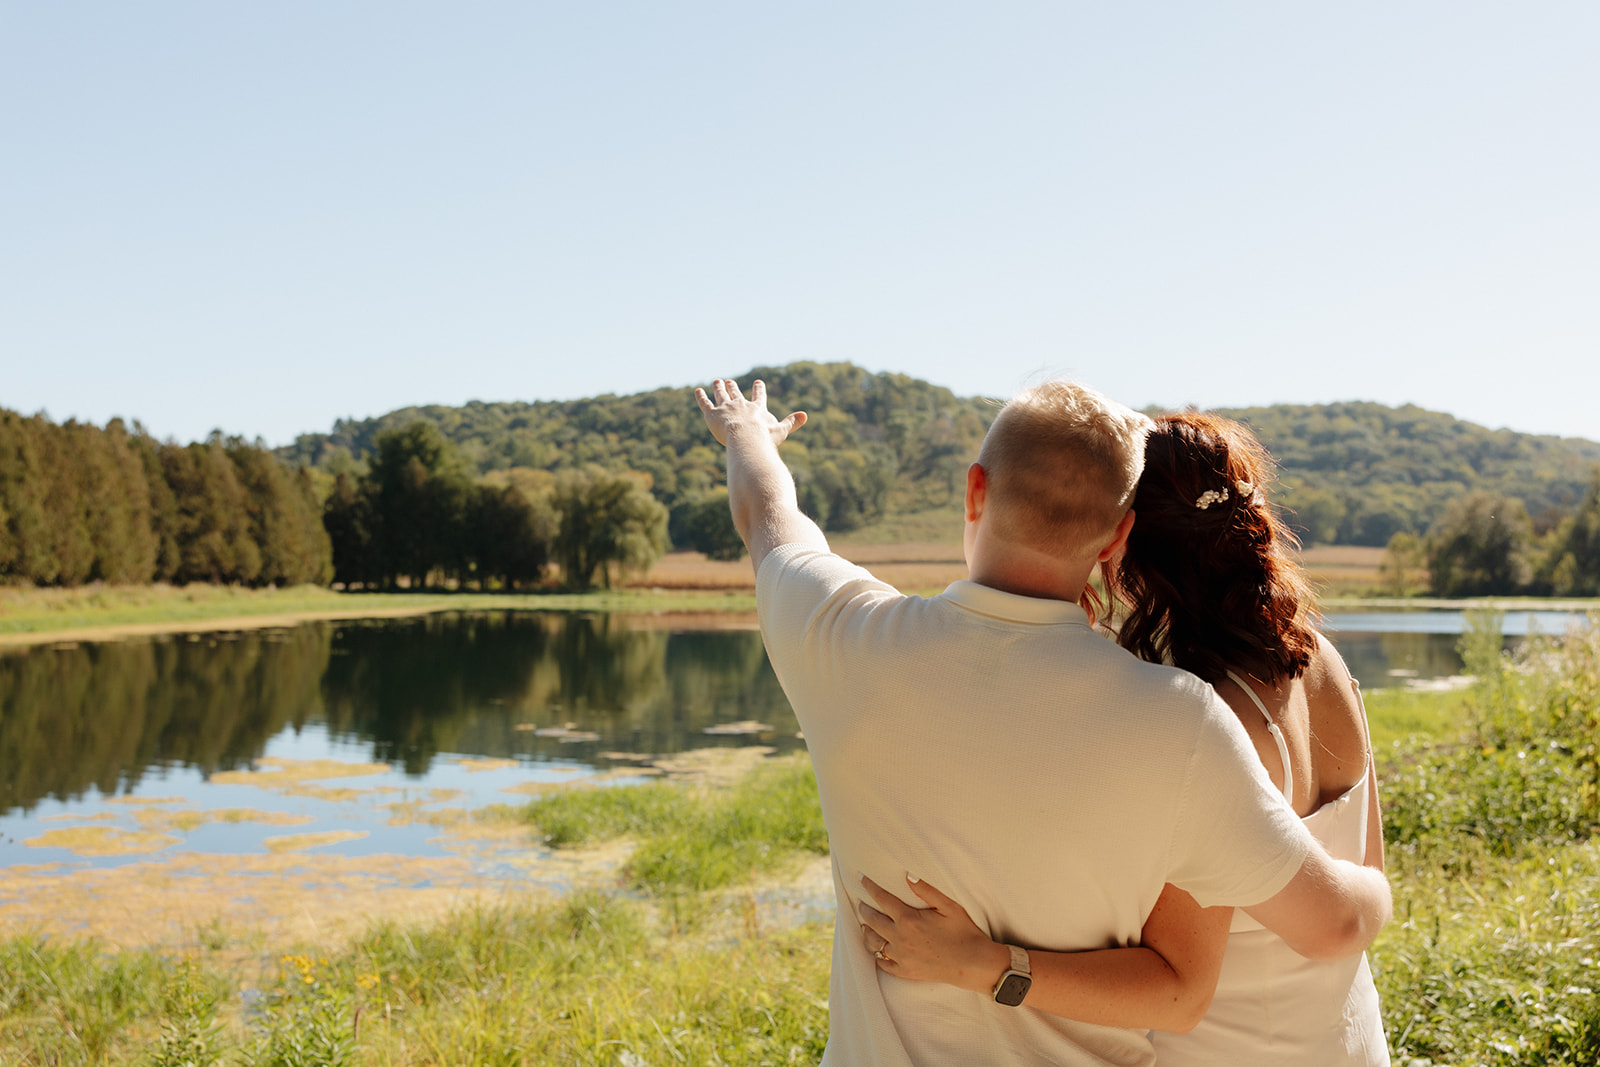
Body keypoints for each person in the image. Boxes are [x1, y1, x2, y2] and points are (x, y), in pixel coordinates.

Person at [694, 377, 1390, 1066]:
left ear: (974, 489)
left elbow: (769, 516)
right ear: (1115, 536)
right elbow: (1291, 937)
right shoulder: (1180, 718)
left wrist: (748, 434)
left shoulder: (842, 637)